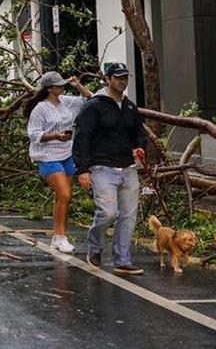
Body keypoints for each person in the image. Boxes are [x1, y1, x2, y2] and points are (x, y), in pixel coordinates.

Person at [73, 63, 147, 275]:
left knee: (128, 216)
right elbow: (82, 137)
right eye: (118, 77)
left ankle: (122, 259)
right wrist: (83, 169)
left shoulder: (130, 107)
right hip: (102, 167)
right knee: (107, 212)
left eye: (125, 78)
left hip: (128, 167)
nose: (122, 82)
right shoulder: (94, 106)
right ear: (107, 79)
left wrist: (140, 148)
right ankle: (95, 246)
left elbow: (139, 134)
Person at [24, 71, 92, 254]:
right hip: (47, 155)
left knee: (62, 197)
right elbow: (33, 134)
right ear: (49, 89)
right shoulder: (40, 109)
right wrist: (55, 136)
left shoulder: (65, 101)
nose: (62, 87)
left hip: (67, 152)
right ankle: (61, 237)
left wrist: (78, 86)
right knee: (64, 194)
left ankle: (58, 236)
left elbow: (89, 100)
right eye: (58, 85)